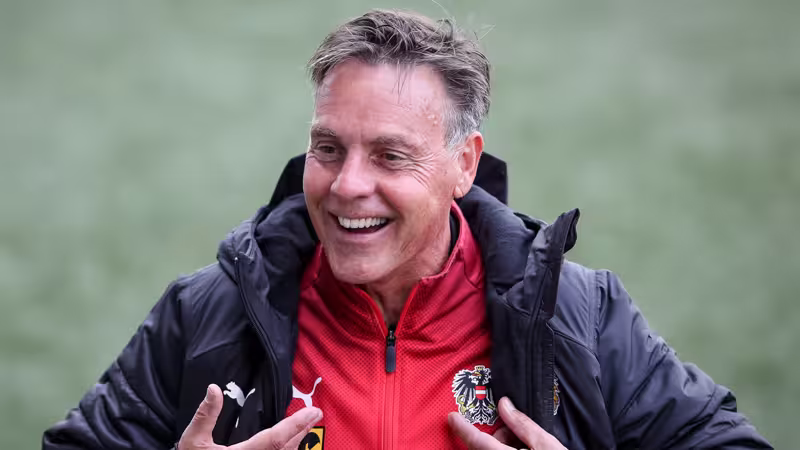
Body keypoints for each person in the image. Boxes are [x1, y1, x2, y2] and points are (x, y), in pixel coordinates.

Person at [43, 9, 770, 450]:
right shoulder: (206, 315)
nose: (346, 185)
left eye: (390, 156)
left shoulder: (579, 316)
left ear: (464, 164)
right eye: (329, 148)